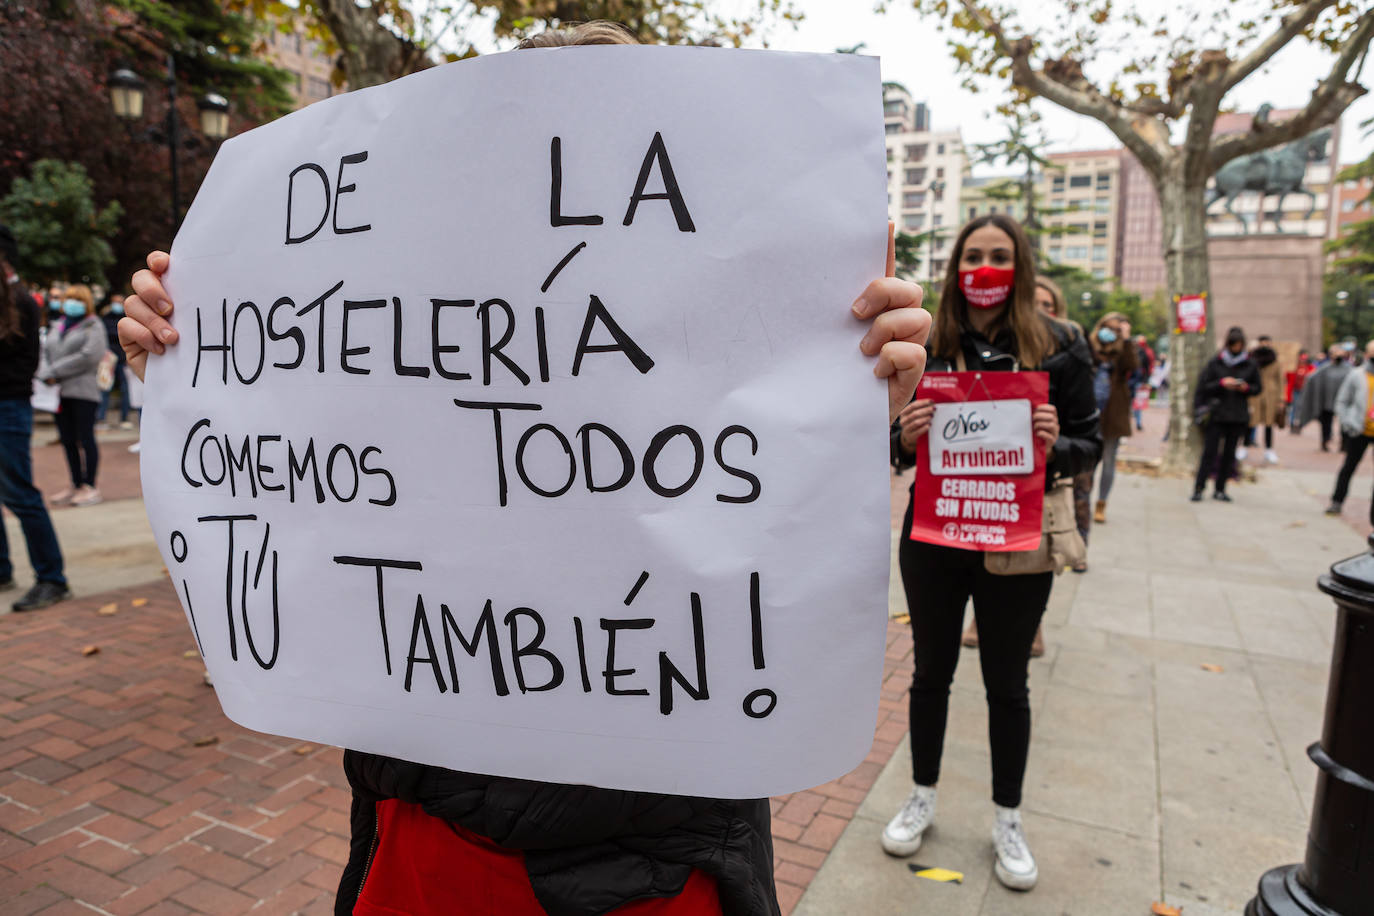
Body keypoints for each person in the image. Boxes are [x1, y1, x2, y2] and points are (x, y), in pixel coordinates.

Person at [120, 30, 931, 912]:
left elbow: (776, 534)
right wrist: (186, 360)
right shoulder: (408, 334)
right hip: (425, 841)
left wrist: (847, 408)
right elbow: (309, 460)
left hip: (657, 864)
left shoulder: (722, 372)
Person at [886, 214, 1100, 891]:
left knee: (1008, 686)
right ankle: (922, 794)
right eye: (973, 255)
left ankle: (1007, 817)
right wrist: (906, 434)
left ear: (1021, 265)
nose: (984, 268)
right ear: (955, 267)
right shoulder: (928, 342)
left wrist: (1053, 439)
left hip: (1017, 542)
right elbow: (888, 448)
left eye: (999, 256)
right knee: (931, 675)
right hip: (934, 539)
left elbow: (1090, 445)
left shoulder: (1061, 344)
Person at [0, 224, 71, 612]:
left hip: (9, 406)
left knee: (20, 494)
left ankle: (51, 577)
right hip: (8, 403)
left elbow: (20, 367)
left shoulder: (21, 303)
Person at [43, 284, 107, 507]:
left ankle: (90, 486)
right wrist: (45, 372)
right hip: (59, 393)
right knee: (68, 439)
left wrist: (54, 371)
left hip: (83, 392)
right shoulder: (57, 325)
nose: (70, 303)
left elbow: (89, 356)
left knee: (85, 438)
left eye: (76, 299)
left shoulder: (93, 326)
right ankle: (75, 483)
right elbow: (45, 351)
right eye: (68, 298)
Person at [1191, 327, 1261, 502]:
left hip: (1237, 415)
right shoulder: (1216, 362)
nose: (1236, 348)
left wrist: (1245, 388)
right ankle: (1199, 488)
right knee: (1209, 453)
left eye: (1239, 345)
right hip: (1217, 414)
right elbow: (1203, 387)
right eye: (1233, 345)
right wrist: (1221, 383)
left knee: (1229, 455)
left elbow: (1257, 388)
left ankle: (1220, 489)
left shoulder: (1250, 364)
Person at [1088, 312, 1136, 524]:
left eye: (1116, 329)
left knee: (1108, 461)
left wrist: (1126, 341)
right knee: (1087, 462)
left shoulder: (1123, 352)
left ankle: (1101, 503)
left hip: (1113, 415)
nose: (1111, 332)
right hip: (1089, 413)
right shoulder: (1089, 347)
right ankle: (1082, 499)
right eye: (1108, 327)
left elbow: (1134, 366)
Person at [1324, 339, 1374, 520]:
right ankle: (1337, 501)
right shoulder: (1356, 375)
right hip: (1358, 430)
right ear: (1367, 355)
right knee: (1348, 467)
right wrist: (1347, 422)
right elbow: (1342, 401)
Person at [1296, 345, 1353, 451]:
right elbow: (1312, 378)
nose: (1337, 355)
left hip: (1344, 402)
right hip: (1327, 401)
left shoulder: (1349, 369)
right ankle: (1325, 441)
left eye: (1339, 353)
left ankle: (1344, 444)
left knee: (1344, 423)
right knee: (1326, 423)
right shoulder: (1325, 368)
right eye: (1335, 353)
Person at [1241, 334, 1283, 465]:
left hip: (1271, 395)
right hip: (1255, 395)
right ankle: (1244, 448)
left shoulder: (1276, 360)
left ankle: (1269, 450)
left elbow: (1280, 380)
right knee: (1251, 422)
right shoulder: (1252, 358)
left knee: (1269, 424)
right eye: (1262, 343)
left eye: (1267, 343)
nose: (1265, 346)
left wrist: (1281, 399)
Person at [97, 292, 133, 430]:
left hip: (124, 359)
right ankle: (101, 419)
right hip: (108, 359)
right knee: (105, 388)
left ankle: (124, 418)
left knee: (125, 389)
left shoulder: (127, 318)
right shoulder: (105, 318)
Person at [1286, 350, 1314, 433]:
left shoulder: (1310, 367)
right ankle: (1292, 424)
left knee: (1302, 408)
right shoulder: (1294, 367)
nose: (1302, 361)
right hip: (1295, 390)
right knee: (1294, 408)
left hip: (1305, 391)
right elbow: (1288, 377)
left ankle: (1300, 424)